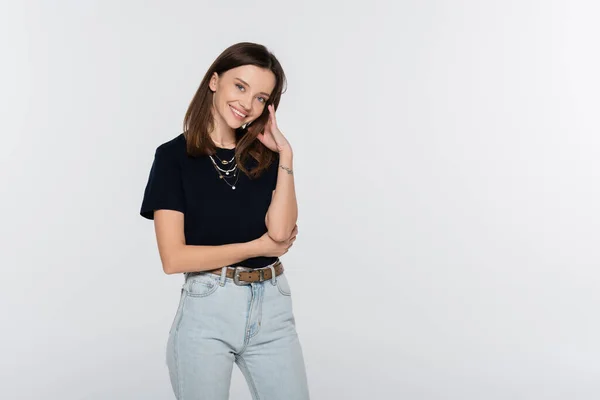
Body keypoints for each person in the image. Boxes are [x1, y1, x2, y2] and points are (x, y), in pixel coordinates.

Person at [139, 42, 310, 399]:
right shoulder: (174, 158)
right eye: (240, 86)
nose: (247, 104)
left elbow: (280, 233)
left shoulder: (265, 156)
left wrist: (286, 155)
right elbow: (174, 258)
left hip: (273, 307)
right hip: (208, 307)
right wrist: (257, 247)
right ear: (214, 81)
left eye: (261, 97)